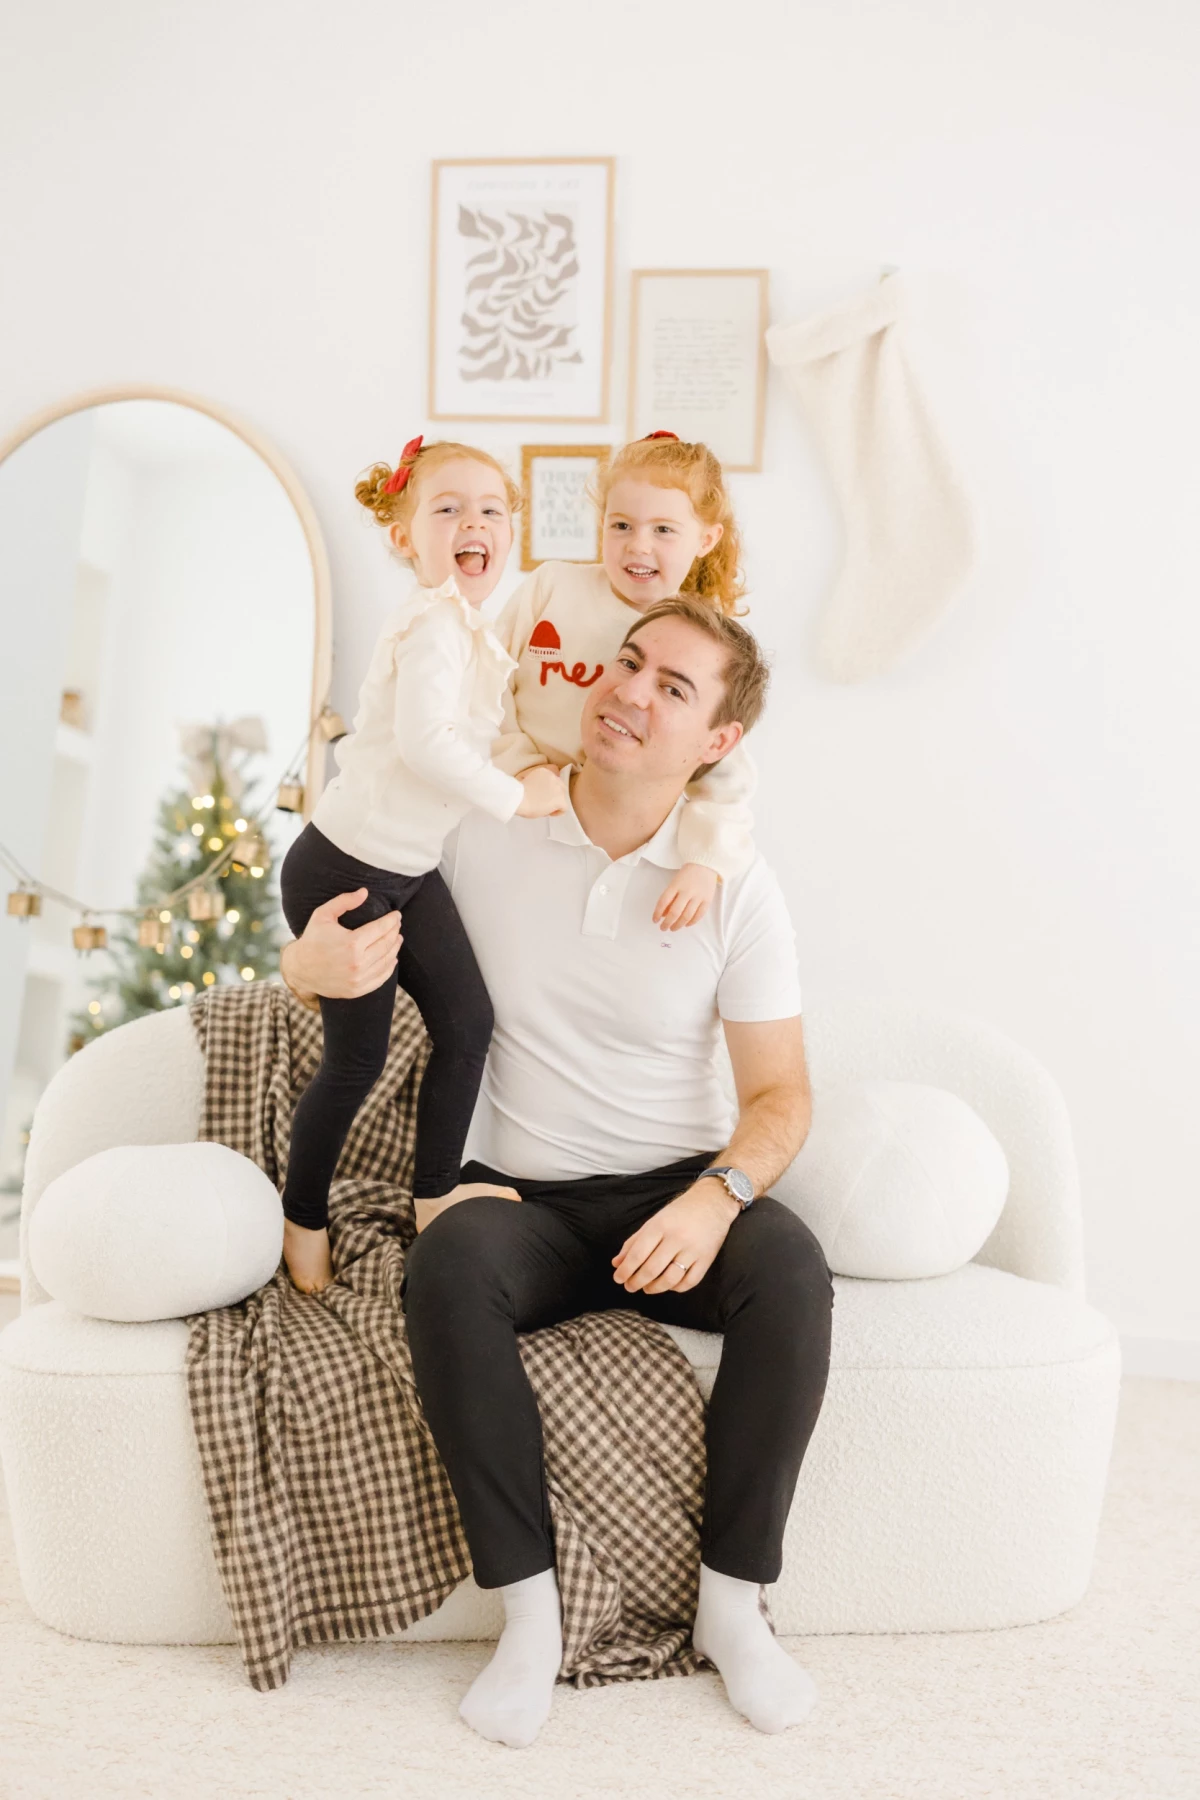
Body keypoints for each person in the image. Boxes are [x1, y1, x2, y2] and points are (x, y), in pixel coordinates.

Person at [281, 598, 835, 1748]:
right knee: (445, 1270)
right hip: (515, 1199)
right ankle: (528, 1616)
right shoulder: (485, 824)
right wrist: (302, 962)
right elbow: (337, 900)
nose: (630, 692)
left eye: (673, 688)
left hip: (673, 1192)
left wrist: (716, 1194)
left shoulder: (739, 886)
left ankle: (734, 1609)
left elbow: (782, 1097)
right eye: (627, 663)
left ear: (717, 743)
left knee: (790, 1270)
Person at [277, 437, 565, 1294]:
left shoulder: (473, 627)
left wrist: (526, 771)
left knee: (468, 1022)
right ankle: (302, 1218)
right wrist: (521, 799)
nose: (473, 522)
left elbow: (468, 735)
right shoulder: (435, 621)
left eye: (491, 509)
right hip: (344, 871)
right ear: (406, 538)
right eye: (447, 509)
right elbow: (426, 744)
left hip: (404, 869)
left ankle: (434, 1195)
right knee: (357, 1062)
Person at [492, 429, 758, 931]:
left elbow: (724, 771)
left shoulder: (699, 639)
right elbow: (483, 683)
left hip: (603, 827)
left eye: (663, 530)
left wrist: (706, 862)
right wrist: (522, 766)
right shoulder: (553, 587)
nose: (637, 546)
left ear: (706, 538)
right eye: (621, 525)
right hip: (513, 798)